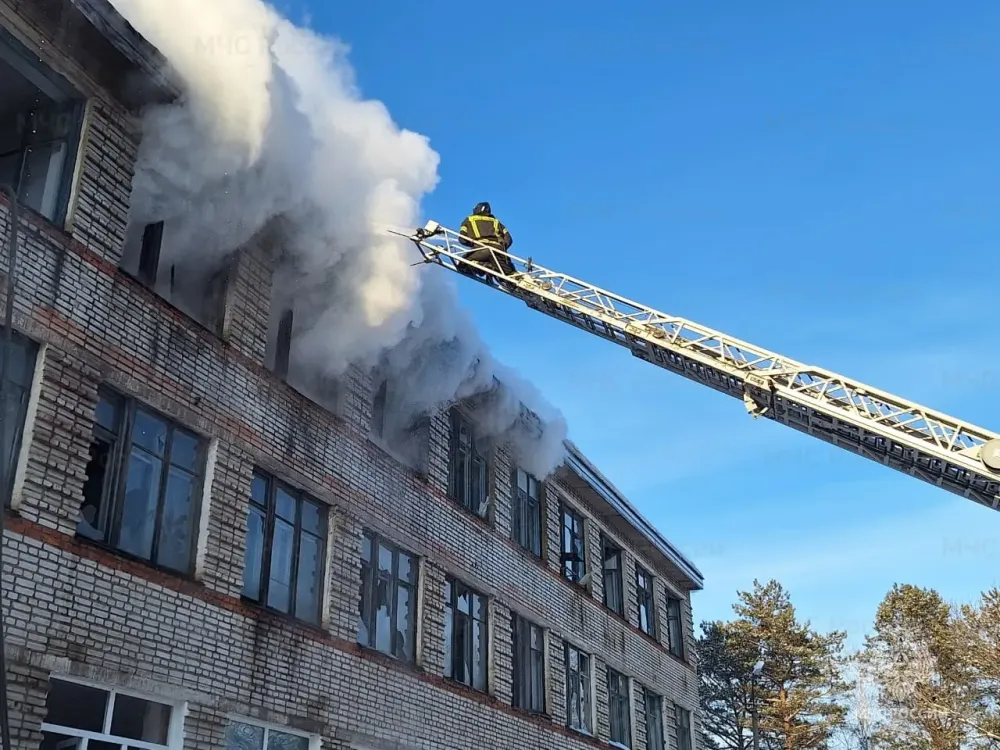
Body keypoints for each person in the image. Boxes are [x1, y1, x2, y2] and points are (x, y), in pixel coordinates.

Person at [458, 202, 516, 283]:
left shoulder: (469, 219)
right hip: (500, 252)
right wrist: (503, 246)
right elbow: (509, 240)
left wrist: (472, 243)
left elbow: (462, 239)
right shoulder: (496, 222)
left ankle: (482, 265)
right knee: (508, 274)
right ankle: (492, 268)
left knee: (462, 264)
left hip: (482, 250)